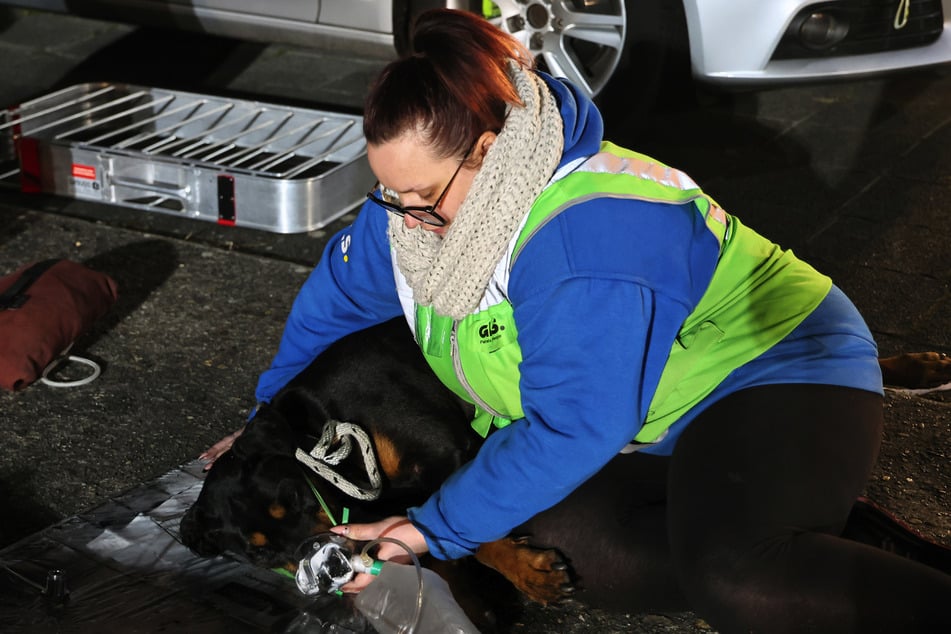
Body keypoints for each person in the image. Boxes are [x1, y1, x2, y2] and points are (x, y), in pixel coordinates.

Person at [202, 8, 951, 632]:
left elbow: (571, 425)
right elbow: (333, 308)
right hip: (644, 415)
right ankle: (807, 532)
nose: (403, 220)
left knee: (736, 580)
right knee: (569, 554)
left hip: (770, 375)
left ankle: (806, 550)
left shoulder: (589, 236)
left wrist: (428, 529)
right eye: (390, 194)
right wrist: (266, 416)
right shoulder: (409, 212)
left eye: (422, 196)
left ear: (490, 154)